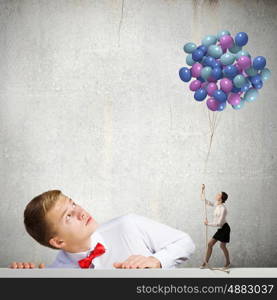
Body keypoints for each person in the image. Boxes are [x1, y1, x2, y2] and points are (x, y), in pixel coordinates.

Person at [10, 190, 195, 269]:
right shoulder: (56, 273)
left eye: (73, 204)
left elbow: (185, 242)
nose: (80, 212)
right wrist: (21, 279)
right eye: (68, 216)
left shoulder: (128, 225)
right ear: (58, 242)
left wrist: (156, 260)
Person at [200, 184, 231, 269]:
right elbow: (204, 200)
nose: (216, 195)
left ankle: (228, 263)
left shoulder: (223, 209)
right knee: (210, 244)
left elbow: (219, 224)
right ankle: (205, 262)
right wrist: (202, 190)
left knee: (222, 246)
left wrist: (208, 223)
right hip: (221, 229)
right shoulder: (217, 204)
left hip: (225, 228)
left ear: (221, 198)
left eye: (218, 194)